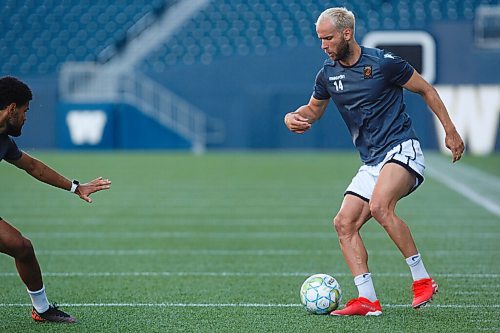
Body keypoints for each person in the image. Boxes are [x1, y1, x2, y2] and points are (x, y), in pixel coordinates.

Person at [284, 7, 464, 316]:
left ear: (347, 33)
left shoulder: (383, 64)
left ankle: (422, 280)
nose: (323, 46)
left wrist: (450, 130)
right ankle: (367, 299)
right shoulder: (327, 74)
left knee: (381, 206)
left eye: (328, 38)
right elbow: (313, 110)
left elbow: (426, 89)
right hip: (371, 161)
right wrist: (293, 117)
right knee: (344, 223)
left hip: (401, 149)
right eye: (320, 39)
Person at [0, 76, 112, 323]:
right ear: (11, 109)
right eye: (24, 111)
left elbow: (34, 167)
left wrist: (76, 187)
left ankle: (41, 309)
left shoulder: (4, 143)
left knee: (22, 247)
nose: (26, 117)